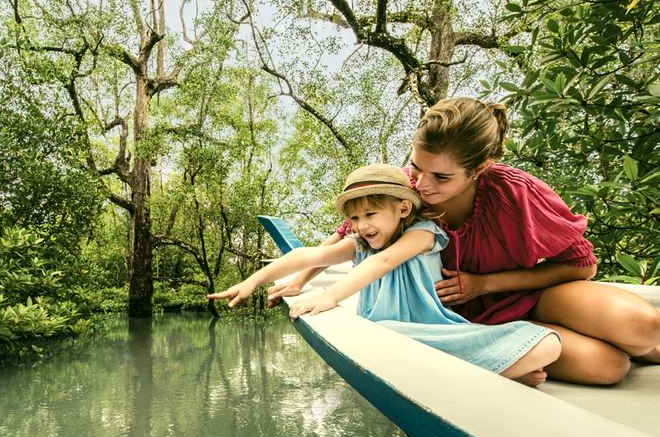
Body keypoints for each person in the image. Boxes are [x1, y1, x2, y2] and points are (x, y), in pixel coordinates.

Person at [209, 164, 562, 387]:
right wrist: (251, 281)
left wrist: (329, 296)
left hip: (430, 331)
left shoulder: (424, 234)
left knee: (547, 342)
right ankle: (500, 372)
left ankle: (495, 369)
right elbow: (310, 254)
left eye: (371, 214)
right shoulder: (362, 243)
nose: (362, 226)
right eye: (356, 219)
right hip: (386, 336)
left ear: (403, 207)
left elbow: (385, 262)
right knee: (375, 340)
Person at [403, 97, 660, 385]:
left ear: (479, 167)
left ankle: (640, 347)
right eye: (416, 166)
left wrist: (483, 284)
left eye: (441, 176)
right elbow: (349, 233)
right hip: (469, 326)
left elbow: (582, 267)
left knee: (647, 326)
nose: (421, 184)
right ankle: (631, 348)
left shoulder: (515, 192)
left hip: (532, 297)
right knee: (608, 368)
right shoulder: (396, 190)